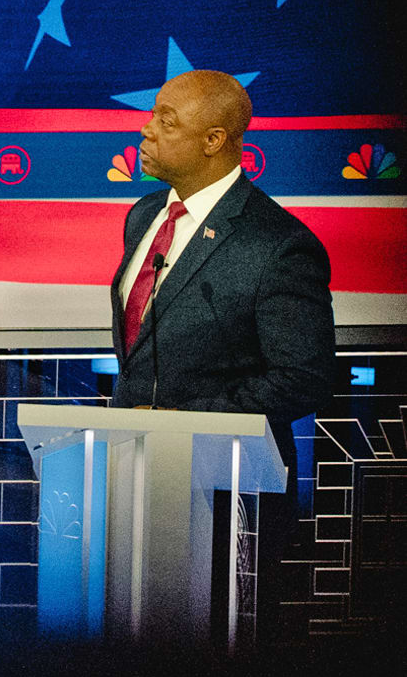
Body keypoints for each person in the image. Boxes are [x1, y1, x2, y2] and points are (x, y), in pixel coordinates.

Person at [111, 70, 336, 629]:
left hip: (229, 497)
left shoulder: (277, 243)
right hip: (135, 483)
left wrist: (180, 422)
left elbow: (303, 376)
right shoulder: (144, 215)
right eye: (153, 114)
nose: (147, 129)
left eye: (167, 120)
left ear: (214, 139)